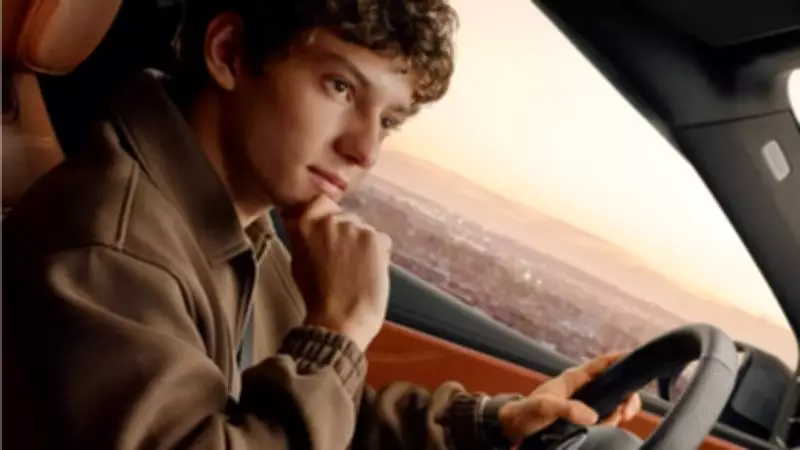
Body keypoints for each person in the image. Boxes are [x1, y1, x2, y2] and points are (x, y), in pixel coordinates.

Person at [2, 0, 641, 448]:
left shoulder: (242, 231)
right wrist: (338, 329)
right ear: (229, 54)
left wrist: (495, 424)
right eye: (340, 88)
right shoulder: (108, 249)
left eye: (387, 121)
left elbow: (316, 414)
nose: (365, 150)